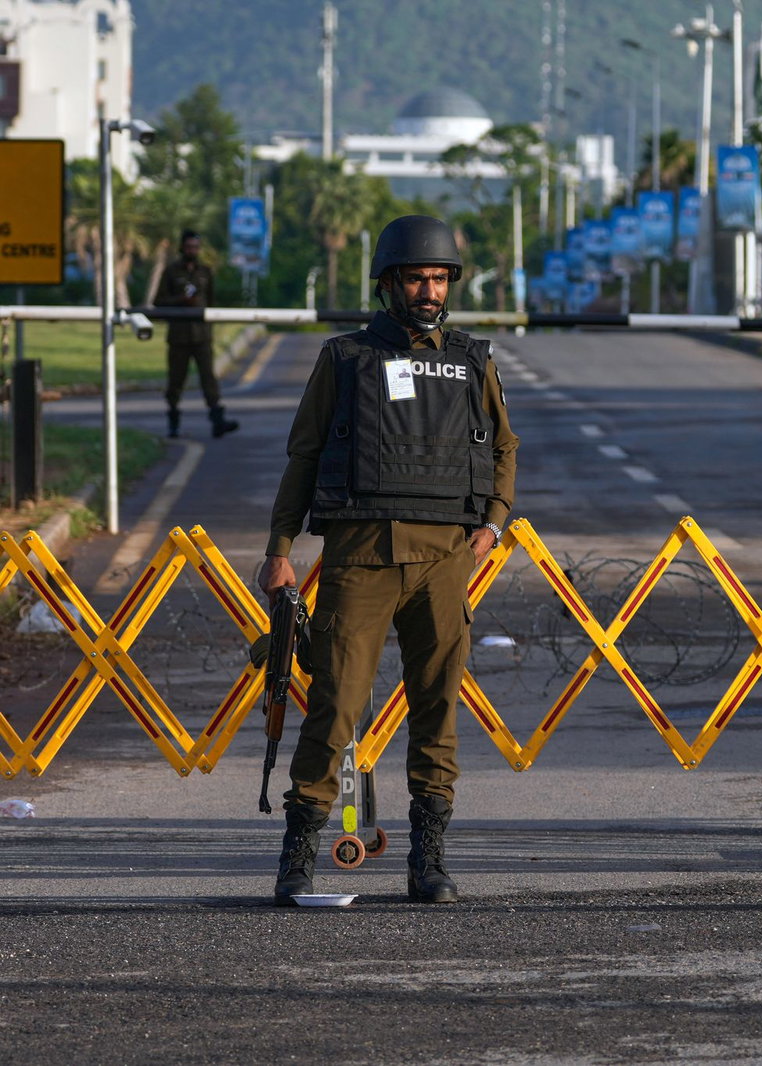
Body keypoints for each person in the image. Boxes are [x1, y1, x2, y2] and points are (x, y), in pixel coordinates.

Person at [258, 215, 519, 906]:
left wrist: (493, 523)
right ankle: (297, 858)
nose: (428, 290)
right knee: (335, 707)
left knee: (437, 712)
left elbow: (502, 449)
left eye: (438, 278)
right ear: (388, 284)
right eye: (415, 277)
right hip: (361, 557)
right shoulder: (344, 359)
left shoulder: (472, 361)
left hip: (443, 559)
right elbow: (304, 456)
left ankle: (427, 861)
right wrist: (279, 551)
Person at [152, 230, 239, 439]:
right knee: (176, 380)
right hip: (179, 336)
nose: (192, 250)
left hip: (201, 335)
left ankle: (217, 420)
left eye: (195, 247)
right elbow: (159, 302)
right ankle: (173, 423)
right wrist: (180, 301)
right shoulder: (172, 272)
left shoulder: (205, 272)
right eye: (189, 247)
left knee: (208, 378)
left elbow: (210, 302)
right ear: (182, 247)